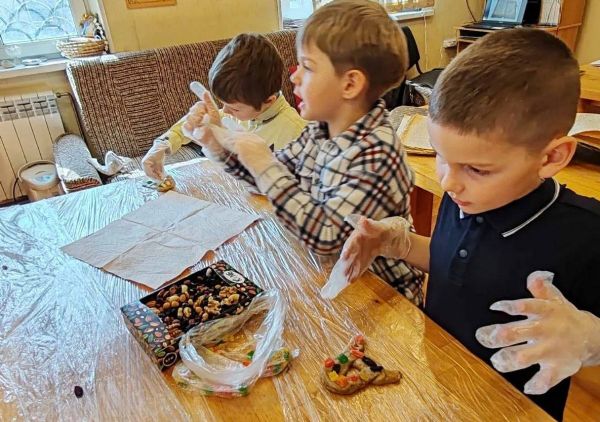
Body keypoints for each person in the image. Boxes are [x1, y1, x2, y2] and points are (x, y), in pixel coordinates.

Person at [335, 28, 600, 420]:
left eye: (477, 168)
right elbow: (455, 263)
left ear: (550, 157)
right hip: (440, 380)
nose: (448, 182)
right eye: (441, 156)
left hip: (512, 410)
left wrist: (590, 339)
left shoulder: (586, 234)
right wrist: (400, 245)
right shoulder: (466, 195)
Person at [184, 0, 425, 305]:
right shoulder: (318, 132)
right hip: (334, 282)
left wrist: (264, 164)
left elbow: (326, 236)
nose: (294, 76)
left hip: (386, 300)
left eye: (307, 67)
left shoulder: (377, 154)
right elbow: (267, 183)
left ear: (350, 84)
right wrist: (215, 142)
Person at [142, 32, 306, 181]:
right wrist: (161, 146)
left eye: (235, 108)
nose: (225, 111)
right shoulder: (242, 113)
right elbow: (192, 124)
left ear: (269, 101)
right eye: (223, 104)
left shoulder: (297, 135)